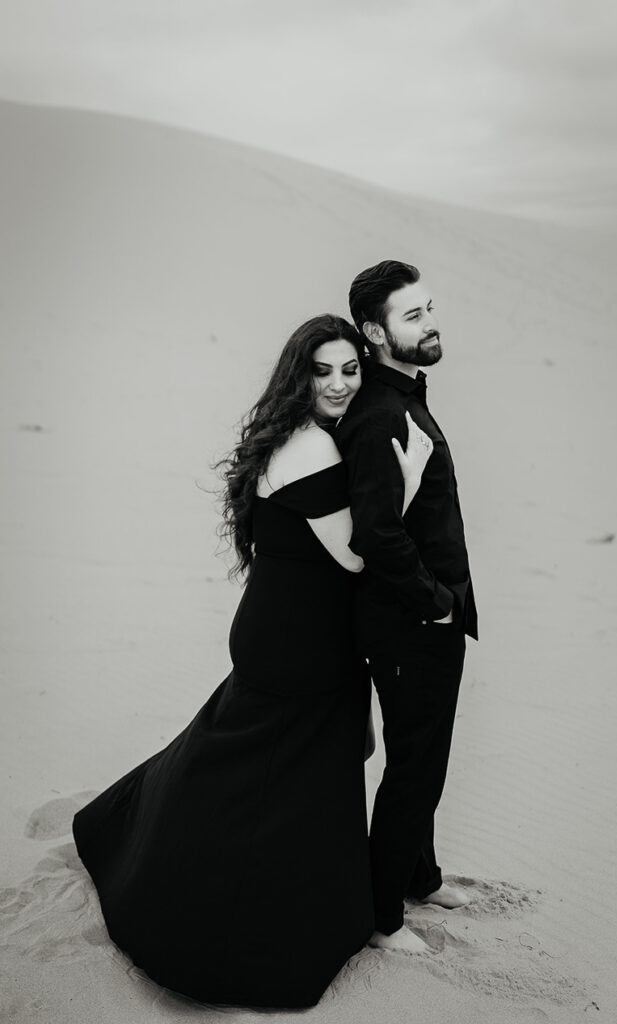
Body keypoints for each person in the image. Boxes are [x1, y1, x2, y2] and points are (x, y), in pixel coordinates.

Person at [72, 313, 433, 1008]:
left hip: (284, 631)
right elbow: (358, 553)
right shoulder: (308, 450)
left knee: (251, 764)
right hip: (297, 645)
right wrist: (407, 479)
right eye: (322, 370)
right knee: (265, 777)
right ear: (298, 374)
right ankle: (203, 899)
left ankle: (140, 837)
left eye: (350, 369)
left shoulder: (303, 437)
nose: (337, 383)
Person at [334, 261, 479, 954]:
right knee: (413, 767)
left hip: (425, 620)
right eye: (412, 315)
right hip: (410, 624)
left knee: (424, 759)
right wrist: (435, 605)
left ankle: (418, 876)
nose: (431, 322)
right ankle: (380, 913)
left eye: (430, 308)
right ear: (374, 331)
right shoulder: (380, 414)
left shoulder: (403, 395)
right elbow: (376, 531)